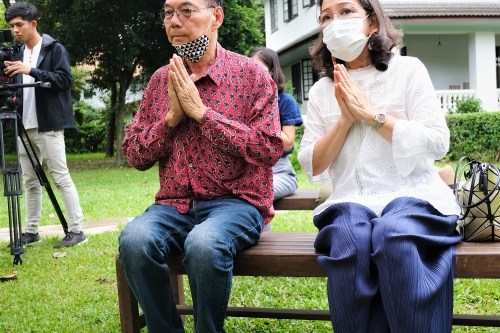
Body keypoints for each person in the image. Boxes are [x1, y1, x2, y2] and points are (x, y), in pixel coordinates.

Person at [117, 0, 283, 331]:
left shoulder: (251, 75)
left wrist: (204, 114)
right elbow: (134, 154)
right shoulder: (160, 80)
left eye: (186, 11)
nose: (174, 21)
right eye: (168, 13)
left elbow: (268, 147)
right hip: (173, 206)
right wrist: (172, 119)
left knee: (204, 244)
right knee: (134, 241)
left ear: (216, 17)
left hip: (237, 203)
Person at [297, 0, 462, 332]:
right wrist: (345, 120)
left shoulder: (408, 70)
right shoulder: (321, 91)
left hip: (412, 194)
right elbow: (312, 164)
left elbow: (438, 141)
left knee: (394, 235)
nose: (334, 22)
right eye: (326, 17)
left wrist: (373, 115)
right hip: (350, 200)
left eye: (345, 12)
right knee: (350, 240)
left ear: (372, 23)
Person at [4, 2, 86, 249]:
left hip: (49, 124)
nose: (15, 30)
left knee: (60, 177)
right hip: (24, 124)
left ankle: (76, 231)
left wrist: (31, 70)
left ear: (33, 24)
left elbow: (64, 80)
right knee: (29, 181)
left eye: (19, 25)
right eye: (11, 26)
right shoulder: (17, 53)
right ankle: (31, 231)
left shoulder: (53, 48)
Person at [248, 47, 303, 201]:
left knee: (256, 193)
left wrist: (259, 123)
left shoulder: (285, 101)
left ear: (271, 72)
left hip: (279, 172)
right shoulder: (242, 102)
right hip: (248, 172)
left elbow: (287, 143)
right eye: (250, 67)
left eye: (260, 68)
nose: (254, 73)